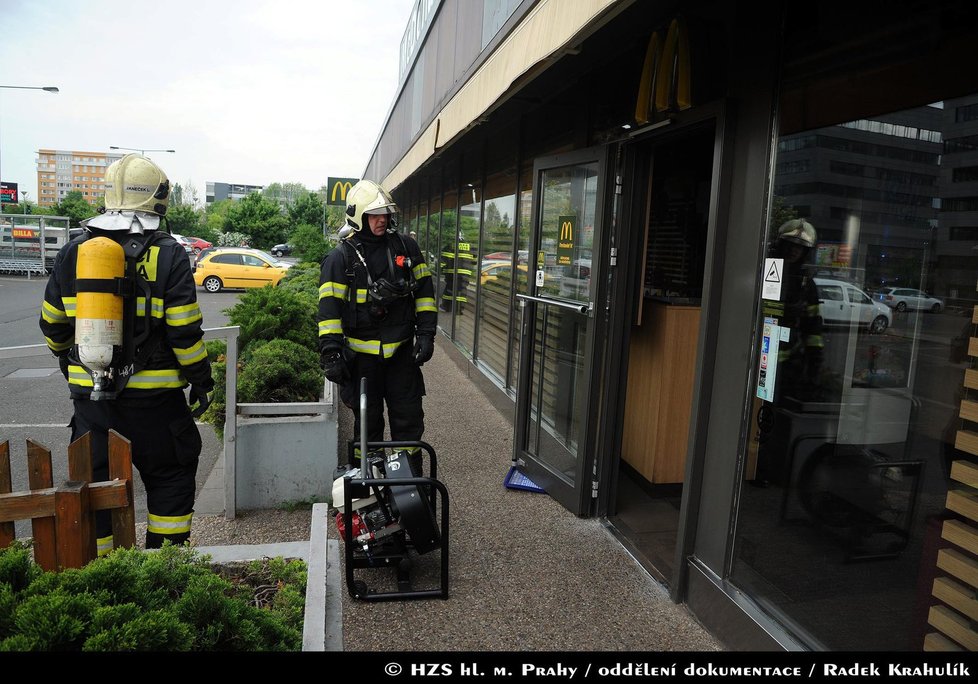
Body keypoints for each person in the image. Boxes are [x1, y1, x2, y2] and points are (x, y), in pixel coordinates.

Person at [39, 154, 213, 555]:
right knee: (170, 478)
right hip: (156, 404)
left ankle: (107, 576)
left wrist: (71, 363)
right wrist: (202, 380)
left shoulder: (75, 251)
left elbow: (52, 325)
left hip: (91, 405)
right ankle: (162, 570)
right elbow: (184, 332)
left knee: (97, 491)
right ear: (156, 199)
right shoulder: (168, 253)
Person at [317, 179, 437, 472]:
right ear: (359, 216)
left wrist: (426, 334)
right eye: (374, 214)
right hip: (362, 364)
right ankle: (367, 498)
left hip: (402, 359)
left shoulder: (405, 247)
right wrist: (331, 353)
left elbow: (424, 292)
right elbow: (329, 310)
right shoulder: (341, 257)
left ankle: (411, 489)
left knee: (408, 424)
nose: (382, 219)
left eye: (385, 213)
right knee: (367, 430)